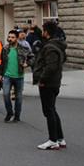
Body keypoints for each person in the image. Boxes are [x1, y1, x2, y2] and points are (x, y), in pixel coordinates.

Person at [32, 21, 67, 150]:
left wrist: (42, 79)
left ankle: (53, 140)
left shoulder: (50, 47)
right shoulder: (56, 45)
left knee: (48, 111)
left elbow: (51, 67)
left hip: (48, 83)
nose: (42, 33)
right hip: (54, 81)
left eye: (43, 30)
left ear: (46, 32)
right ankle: (60, 138)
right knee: (52, 109)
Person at [0, 30, 32, 122]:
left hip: (19, 76)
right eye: (9, 37)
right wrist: (0, 74)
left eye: (12, 37)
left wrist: (27, 64)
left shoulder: (23, 48)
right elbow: (2, 62)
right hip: (7, 76)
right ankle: (9, 112)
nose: (10, 39)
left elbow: (32, 57)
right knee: (6, 95)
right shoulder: (5, 48)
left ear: (17, 38)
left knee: (18, 98)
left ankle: (17, 115)